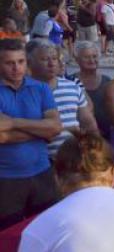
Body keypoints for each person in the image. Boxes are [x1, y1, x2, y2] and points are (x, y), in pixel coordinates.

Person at [0, 38, 61, 230]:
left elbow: (55, 127)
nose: (16, 68)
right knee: (9, 235)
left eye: (21, 61)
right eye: (9, 63)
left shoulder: (41, 88)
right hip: (6, 179)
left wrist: (12, 123)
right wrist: (41, 131)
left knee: (46, 230)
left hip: (42, 173)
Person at [27, 39, 99, 157]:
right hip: (39, 161)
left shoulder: (72, 87)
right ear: (30, 63)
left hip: (73, 159)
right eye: (45, 59)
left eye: (54, 59)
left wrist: (96, 151)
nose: (52, 64)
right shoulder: (23, 91)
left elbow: (89, 124)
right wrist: (68, 129)